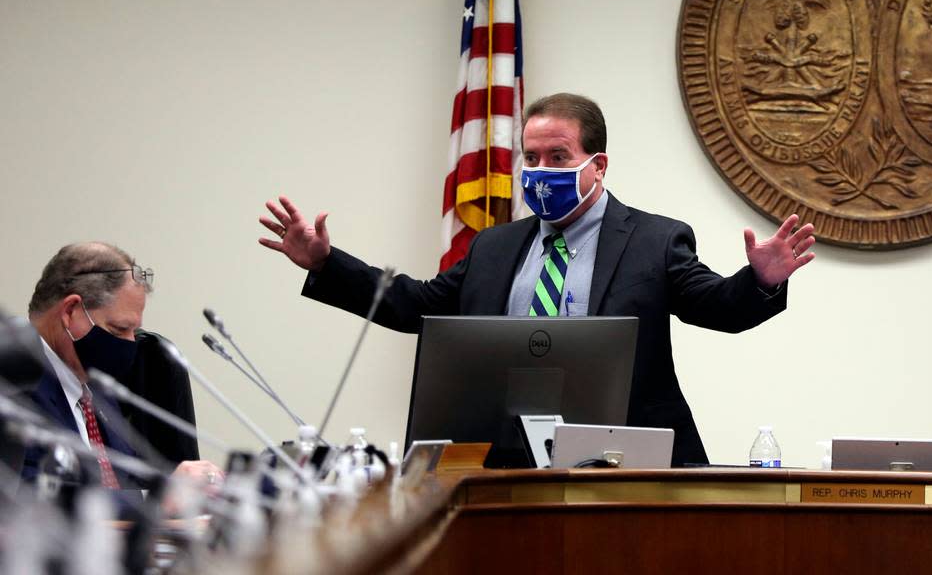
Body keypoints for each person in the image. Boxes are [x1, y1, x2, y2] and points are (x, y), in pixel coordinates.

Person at [260, 93, 816, 466]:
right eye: (532, 157)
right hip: (507, 460)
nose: (542, 170)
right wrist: (326, 265)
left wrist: (760, 280)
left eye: (559, 155)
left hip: (625, 460)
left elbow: (717, 307)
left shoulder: (654, 239)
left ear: (598, 165)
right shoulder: (495, 246)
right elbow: (418, 307)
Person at [20, 242, 222, 491]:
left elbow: (128, 487)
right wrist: (161, 499)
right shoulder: (14, 384)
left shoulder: (97, 389)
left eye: (134, 331)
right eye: (119, 329)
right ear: (71, 311)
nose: (131, 343)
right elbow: (37, 497)